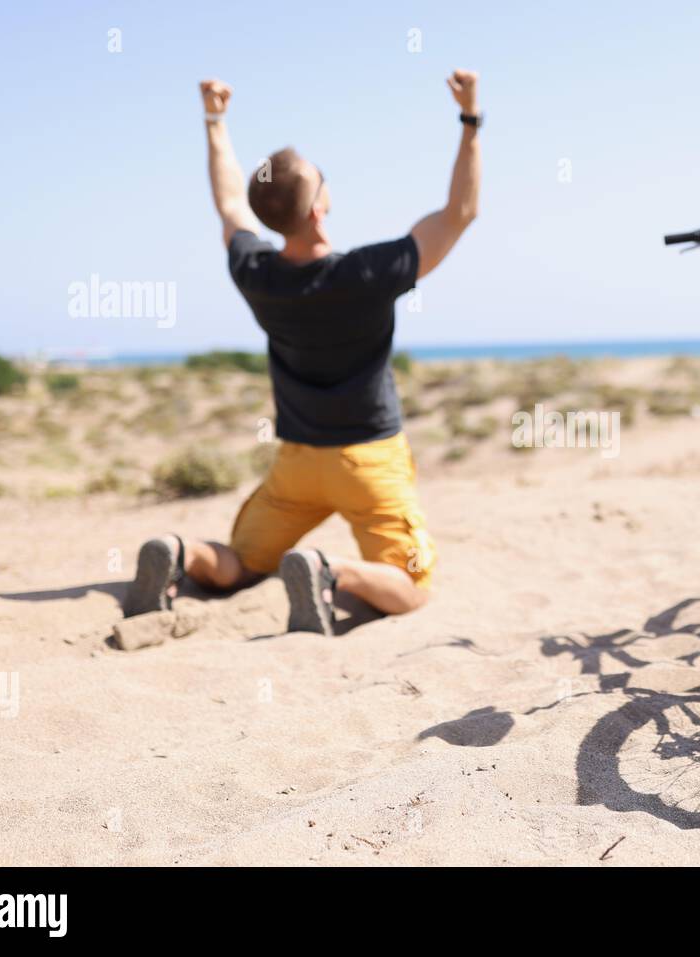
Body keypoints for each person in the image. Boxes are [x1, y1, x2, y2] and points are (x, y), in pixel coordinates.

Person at [122, 71, 482, 633]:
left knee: (239, 564)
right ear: (318, 209)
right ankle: (327, 568)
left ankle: (180, 551)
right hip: (369, 461)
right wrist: (469, 120)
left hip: (297, 465)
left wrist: (215, 122)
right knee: (411, 586)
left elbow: (229, 206)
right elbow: (459, 213)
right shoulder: (368, 272)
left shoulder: (257, 273)